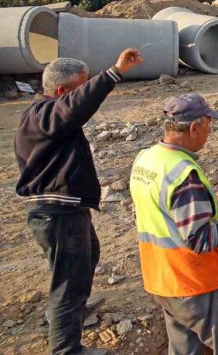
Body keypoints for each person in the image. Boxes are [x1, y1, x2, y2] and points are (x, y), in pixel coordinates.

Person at [16, 48, 144, 355]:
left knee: (86, 259)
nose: (84, 93)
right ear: (61, 91)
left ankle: (70, 312)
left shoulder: (46, 115)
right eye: (80, 86)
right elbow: (76, 106)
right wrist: (114, 72)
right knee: (69, 282)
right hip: (57, 214)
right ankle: (66, 348)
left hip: (68, 209)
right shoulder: (45, 114)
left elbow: (75, 105)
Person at [129, 93, 218, 355]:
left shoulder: (146, 159)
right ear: (194, 127)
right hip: (197, 284)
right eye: (209, 124)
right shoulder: (184, 175)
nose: (210, 131)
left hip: (163, 281)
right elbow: (201, 239)